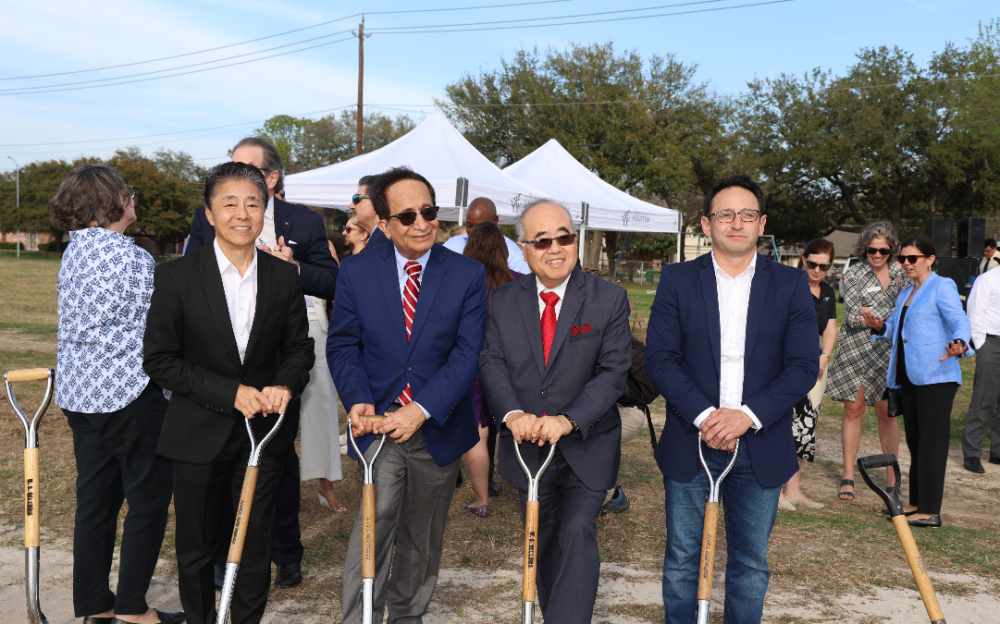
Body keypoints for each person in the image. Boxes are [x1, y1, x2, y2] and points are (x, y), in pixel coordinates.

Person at [143, 162, 314, 624]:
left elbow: (300, 348)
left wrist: (285, 384)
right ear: (209, 213)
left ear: (266, 209)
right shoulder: (176, 277)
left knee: (255, 543)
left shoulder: (283, 277)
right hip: (197, 432)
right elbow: (159, 361)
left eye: (253, 203)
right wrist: (229, 392)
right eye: (230, 203)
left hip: (262, 436)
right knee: (196, 548)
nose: (243, 213)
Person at [645, 175, 818, 623]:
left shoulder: (791, 284)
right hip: (691, 440)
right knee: (683, 561)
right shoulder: (678, 279)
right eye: (725, 214)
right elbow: (661, 359)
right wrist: (706, 416)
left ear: (762, 224)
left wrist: (747, 416)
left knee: (749, 564)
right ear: (707, 223)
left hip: (760, 445)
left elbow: (803, 365)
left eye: (746, 215)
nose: (735, 223)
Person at [328, 166, 486, 624]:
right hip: (377, 424)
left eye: (430, 212)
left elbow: (467, 353)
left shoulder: (467, 274)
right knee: (373, 528)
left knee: (423, 534)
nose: (422, 223)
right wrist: (357, 397)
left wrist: (421, 409)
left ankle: (407, 616)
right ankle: (359, 618)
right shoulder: (357, 272)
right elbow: (342, 344)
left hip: (437, 426)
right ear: (383, 222)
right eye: (408, 215)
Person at [185, 137, 338, 589]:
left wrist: (292, 269)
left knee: (276, 462)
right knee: (217, 464)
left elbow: (332, 281)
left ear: (270, 179)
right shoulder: (206, 216)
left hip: (278, 367)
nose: (233, 180)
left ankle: (285, 552)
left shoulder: (305, 221)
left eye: (245, 169)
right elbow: (191, 274)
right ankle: (218, 557)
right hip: (218, 364)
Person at [480, 199, 632, 624]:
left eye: (563, 236)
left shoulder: (609, 298)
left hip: (588, 443)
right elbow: (491, 362)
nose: (555, 248)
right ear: (524, 250)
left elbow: (612, 371)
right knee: (542, 539)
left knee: (578, 531)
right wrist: (512, 415)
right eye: (541, 240)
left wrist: (569, 420)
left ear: (576, 241)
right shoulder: (502, 302)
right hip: (528, 446)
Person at [50, 164, 184, 624]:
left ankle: (93, 603)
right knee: (148, 500)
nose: (133, 198)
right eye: (129, 192)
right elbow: (162, 324)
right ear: (114, 201)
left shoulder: (74, 252)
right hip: (127, 392)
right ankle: (132, 609)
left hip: (79, 392)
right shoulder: (133, 258)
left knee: (96, 502)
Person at [860, 236, 971, 528]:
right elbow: (896, 329)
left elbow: (958, 319)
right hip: (907, 377)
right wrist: (879, 326)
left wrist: (960, 341)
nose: (906, 264)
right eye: (902, 259)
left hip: (937, 376)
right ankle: (917, 503)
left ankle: (931, 510)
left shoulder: (942, 286)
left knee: (932, 445)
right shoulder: (906, 293)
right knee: (917, 442)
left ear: (930, 259)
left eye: (913, 258)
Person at [825, 222, 909, 501]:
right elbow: (852, 315)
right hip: (855, 349)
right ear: (865, 248)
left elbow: (906, 310)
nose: (877, 254)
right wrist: (880, 319)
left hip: (888, 351)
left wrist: (876, 319)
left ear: (891, 249)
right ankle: (848, 476)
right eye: (872, 249)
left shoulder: (902, 273)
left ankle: (891, 480)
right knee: (853, 410)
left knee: (887, 413)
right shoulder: (853, 274)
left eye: (883, 250)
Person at [460, 222, 524, 516]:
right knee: (520, 426)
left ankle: (482, 500)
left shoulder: (461, 283)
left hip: (472, 365)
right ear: (502, 248)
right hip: (512, 366)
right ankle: (530, 487)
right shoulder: (521, 282)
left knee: (478, 434)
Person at [779, 239, 838, 511]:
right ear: (803, 259)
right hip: (784, 363)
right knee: (778, 423)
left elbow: (830, 328)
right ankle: (773, 489)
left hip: (814, 365)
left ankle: (793, 489)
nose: (816, 270)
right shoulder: (789, 284)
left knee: (804, 426)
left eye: (823, 266)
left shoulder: (827, 291)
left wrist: (823, 357)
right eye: (812, 263)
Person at [963, 258, 1000, 473]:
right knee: (984, 399)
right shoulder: (987, 279)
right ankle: (972, 452)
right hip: (992, 342)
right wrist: (981, 344)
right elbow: (975, 312)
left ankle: (997, 451)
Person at [443, 197, 531, 274]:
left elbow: (521, 288)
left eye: (480, 227)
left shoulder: (514, 255)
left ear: (495, 220)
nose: (474, 232)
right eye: (469, 225)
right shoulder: (452, 244)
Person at [351, 175, 390, 252]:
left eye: (356, 199)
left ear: (377, 202)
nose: (351, 206)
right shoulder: (380, 240)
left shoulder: (383, 244)